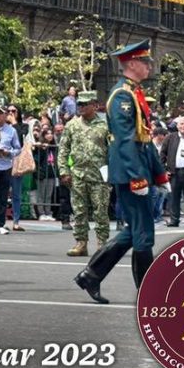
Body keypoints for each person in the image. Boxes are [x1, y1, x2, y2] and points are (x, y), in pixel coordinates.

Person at [75, 40, 169, 304]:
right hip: (130, 173)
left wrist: (158, 174)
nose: (149, 66)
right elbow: (126, 140)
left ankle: (91, 275)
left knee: (137, 231)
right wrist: (138, 176)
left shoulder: (133, 93)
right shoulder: (122, 96)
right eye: (145, 61)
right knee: (143, 233)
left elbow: (145, 138)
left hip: (137, 170)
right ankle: (148, 292)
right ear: (131, 64)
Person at [58, 91, 110, 256]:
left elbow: (113, 151)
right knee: (79, 211)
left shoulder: (104, 126)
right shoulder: (72, 125)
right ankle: (81, 243)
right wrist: (64, 171)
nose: (80, 107)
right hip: (78, 175)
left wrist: (113, 173)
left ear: (94, 105)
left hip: (99, 176)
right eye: (79, 104)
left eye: (84, 104)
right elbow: (63, 149)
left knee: (100, 211)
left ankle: (102, 244)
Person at [0, 104, 22, 235]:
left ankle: (0, 224)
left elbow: (18, 148)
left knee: (3, 197)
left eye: (1, 113)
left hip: (5, 166)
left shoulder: (11, 131)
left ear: (6, 115)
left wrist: (8, 152)